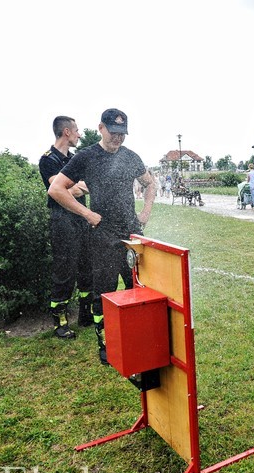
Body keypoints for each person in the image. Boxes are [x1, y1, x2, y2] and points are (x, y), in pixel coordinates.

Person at [48, 108, 157, 365]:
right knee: (105, 291)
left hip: (131, 232)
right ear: (100, 128)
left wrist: (146, 212)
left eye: (122, 134)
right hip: (103, 233)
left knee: (137, 287)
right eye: (113, 133)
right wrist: (86, 213)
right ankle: (106, 342)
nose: (117, 138)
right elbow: (56, 189)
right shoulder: (86, 157)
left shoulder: (131, 157)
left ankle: (138, 336)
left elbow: (149, 183)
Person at [38, 116, 93, 339]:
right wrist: (72, 188)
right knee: (64, 271)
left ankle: (86, 314)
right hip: (61, 221)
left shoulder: (75, 159)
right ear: (67, 132)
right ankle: (60, 322)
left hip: (81, 218)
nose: (80, 134)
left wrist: (72, 189)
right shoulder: (47, 160)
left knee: (87, 267)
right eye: (77, 130)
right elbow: (58, 190)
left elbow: (83, 188)